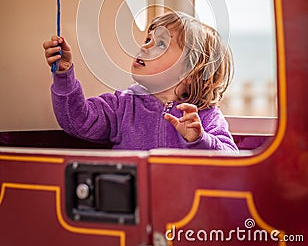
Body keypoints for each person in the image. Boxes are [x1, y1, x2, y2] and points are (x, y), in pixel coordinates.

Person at [43, 11, 238, 152]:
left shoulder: (205, 116)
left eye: (161, 43)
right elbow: (78, 121)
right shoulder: (122, 105)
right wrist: (64, 75)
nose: (145, 47)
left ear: (190, 72)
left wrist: (201, 139)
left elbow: (230, 159)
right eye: (148, 39)